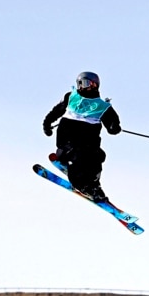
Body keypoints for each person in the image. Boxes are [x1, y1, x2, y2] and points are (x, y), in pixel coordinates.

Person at [43, 71, 121, 203]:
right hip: (68, 141)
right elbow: (56, 111)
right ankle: (81, 184)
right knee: (76, 157)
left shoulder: (103, 106)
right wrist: (47, 123)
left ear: (95, 85)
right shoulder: (71, 97)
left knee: (97, 158)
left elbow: (112, 125)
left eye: (86, 83)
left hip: (89, 144)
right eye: (80, 84)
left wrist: (114, 127)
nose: (82, 87)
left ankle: (94, 186)